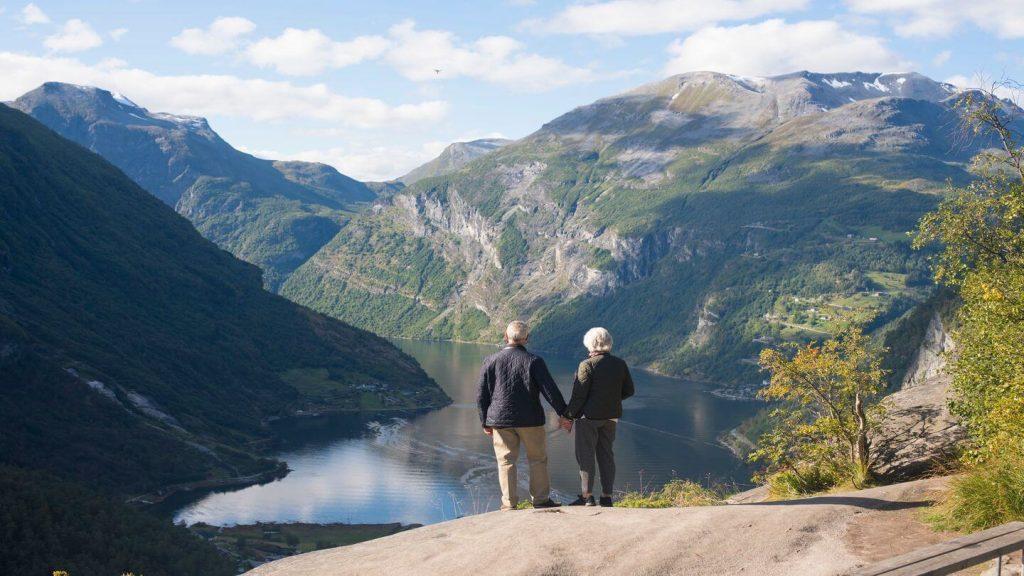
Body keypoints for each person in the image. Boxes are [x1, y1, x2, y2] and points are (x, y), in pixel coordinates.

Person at [476, 320, 573, 510]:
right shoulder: (534, 361)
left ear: (506, 337)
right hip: (531, 420)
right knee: (537, 459)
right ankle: (540, 500)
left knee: (505, 461)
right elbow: (550, 391)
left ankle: (509, 504)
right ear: (526, 339)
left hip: (500, 420)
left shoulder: (490, 360)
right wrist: (564, 414)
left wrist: (484, 422)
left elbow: (481, 394)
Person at [564, 327, 635, 507]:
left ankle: (587, 497)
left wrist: (568, 416)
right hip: (611, 417)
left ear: (590, 344)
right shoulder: (620, 363)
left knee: (585, 455)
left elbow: (579, 396)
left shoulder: (586, 365)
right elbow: (629, 390)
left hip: (588, 418)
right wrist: (610, 400)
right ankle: (607, 496)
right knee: (606, 455)